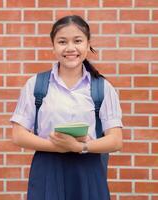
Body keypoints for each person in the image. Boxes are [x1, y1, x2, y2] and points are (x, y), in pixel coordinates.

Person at [10, 15, 123, 200]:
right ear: (53, 46)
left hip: (88, 172)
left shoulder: (102, 88)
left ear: (87, 44)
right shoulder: (36, 85)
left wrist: (82, 147)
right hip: (47, 169)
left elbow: (116, 140)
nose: (70, 48)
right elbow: (18, 134)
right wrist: (59, 147)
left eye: (77, 41)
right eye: (62, 42)